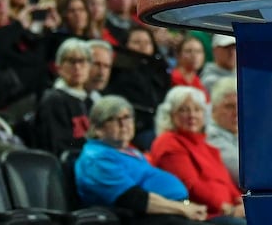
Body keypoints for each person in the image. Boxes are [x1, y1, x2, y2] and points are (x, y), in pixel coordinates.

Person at [75, 95, 209, 222]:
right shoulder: (96, 158)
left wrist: (187, 205)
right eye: (114, 119)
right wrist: (182, 209)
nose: (124, 124)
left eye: (127, 117)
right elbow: (134, 198)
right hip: (144, 217)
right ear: (98, 128)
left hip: (171, 211)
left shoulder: (130, 151)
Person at [149, 86, 245, 224]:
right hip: (203, 215)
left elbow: (225, 181)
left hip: (227, 210)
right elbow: (190, 186)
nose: (192, 115)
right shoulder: (168, 142)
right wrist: (227, 208)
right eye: (183, 110)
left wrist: (240, 202)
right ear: (170, 114)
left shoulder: (203, 143)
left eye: (197, 109)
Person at [33, 38, 93, 154]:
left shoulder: (90, 102)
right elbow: (59, 145)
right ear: (58, 67)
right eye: (71, 61)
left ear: (89, 67)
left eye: (82, 61)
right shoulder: (53, 100)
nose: (77, 67)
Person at [203, 80, 239, 188]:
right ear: (213, 109)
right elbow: (244, 174)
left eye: (239, 105)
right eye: (229, 106)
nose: (236, 112)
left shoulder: (237, 132)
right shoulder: (210, 136)